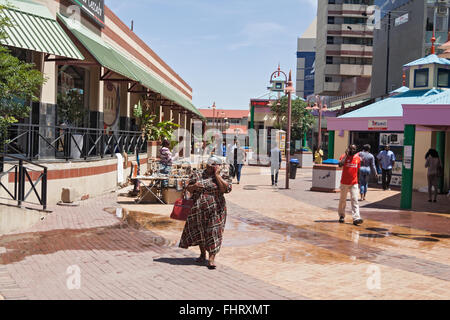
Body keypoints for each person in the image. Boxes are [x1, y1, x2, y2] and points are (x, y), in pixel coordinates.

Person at [179, 156, 232, 270]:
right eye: (210, 165)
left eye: (214, 165)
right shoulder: (197, 174)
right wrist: (194, 186)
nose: (211, 167)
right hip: (199, 208)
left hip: (216, 208)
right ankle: (202, 254)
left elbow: (226, 189)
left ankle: (211, 258)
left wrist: (217, 176)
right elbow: (188, 189)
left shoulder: (223, 175)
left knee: (214, 231)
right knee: (201, 231)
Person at [338, 144, 363, 226]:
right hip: (344, 182)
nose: (353, 150)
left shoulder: (358, 158)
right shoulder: (343, 156)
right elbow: (340, 164)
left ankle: (356, 218)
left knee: (355, 200)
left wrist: (358, 181)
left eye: (354, 149)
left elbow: (358, 170)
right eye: (351, 149)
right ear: (348, 149)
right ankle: (341, 215)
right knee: (342, 200)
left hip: (354, 183)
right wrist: (346, 155)